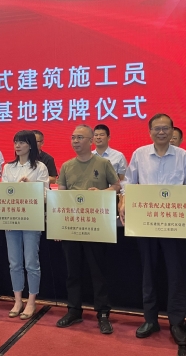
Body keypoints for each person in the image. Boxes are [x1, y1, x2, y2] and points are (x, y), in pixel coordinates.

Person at [121, 113, 186, 356]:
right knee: (148, 272)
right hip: (145, 223)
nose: (162, 132)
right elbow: (128, 184)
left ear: (173, 131)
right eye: (157, 128)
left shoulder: (184, 157)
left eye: (166, 128)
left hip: (175, 225)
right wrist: (123, 201)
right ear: (150, 132)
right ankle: (150, 319)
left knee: (175, 274)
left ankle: (177, 322)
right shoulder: (140, 154)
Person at [56, 125, 120, 335]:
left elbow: (117, 186)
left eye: (80, 137)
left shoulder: (103, 163)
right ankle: (74, 310)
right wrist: (58, 226)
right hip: (71, 226)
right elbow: (61, 196)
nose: (75, 141)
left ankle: (103, 313)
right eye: (73, 137)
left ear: (91, 140)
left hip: (96, 226)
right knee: (72, 272)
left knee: (97, 272)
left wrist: (101, 192)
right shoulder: (67, 166)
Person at [1, 130, 49, 320]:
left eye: (22, 142)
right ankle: (17, 300)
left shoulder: (40, 167)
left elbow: (46, 195)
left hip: (32, 218)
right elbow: (3, 192)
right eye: (15, 142)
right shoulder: (8, 167)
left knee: (31, 262)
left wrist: (30, 186)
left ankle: (31, 301)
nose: (17, 146)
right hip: (11, 218)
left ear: (30, 145)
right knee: (14, 263)